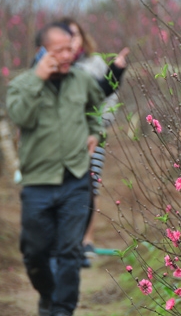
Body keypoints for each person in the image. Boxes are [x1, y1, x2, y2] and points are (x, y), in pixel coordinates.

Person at [6, 22, 105, 316]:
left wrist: (95, 131)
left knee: (70, 253)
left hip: (75, 179)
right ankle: (48, 294)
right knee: (35, 253)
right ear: (42, 52)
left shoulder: (82, 80)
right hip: (38, 183)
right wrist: (38, 79)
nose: (67, 55)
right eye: (59, 50)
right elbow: (20, 116)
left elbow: (97, 107)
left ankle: (62, 310)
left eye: (69, 49)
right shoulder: (22, 84)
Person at [58, 17, 129, 265]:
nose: (71, 39)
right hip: (63, 140)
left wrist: (99, 127)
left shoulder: (94, 63)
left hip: (93, 137)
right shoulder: (54, 65)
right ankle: (65, 243)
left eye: (74, 34)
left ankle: (85, 241)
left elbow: (107, 94)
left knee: (90, 186)